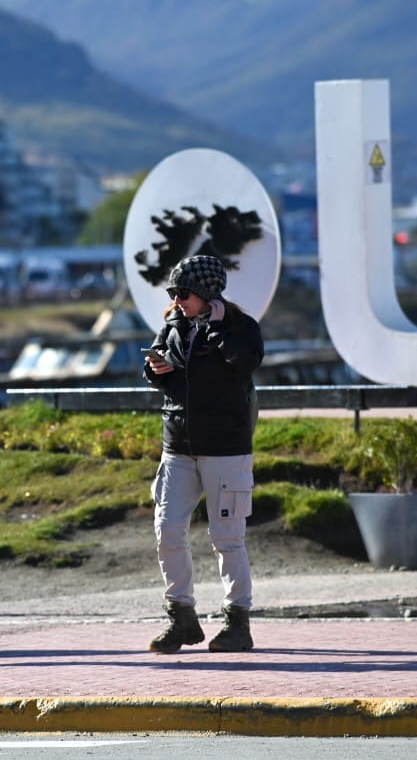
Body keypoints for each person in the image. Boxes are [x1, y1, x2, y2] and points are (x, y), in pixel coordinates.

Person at [141, 254, 264, 654]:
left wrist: (213, 330)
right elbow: (165, 374)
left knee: (227, 539)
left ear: (207, 292)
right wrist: (155, 371)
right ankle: (181, 617)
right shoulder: (173, 325)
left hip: (226, 448)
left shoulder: (240, 327)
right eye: (172, 292)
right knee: (167, 531)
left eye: (183, 293)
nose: (177, 300)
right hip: (177, 446)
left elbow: (245, 362)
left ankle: (237, 622)